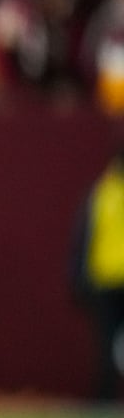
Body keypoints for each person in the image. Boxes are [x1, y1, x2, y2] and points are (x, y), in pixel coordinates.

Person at [70, 145, 124, 402]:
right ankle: (105, 398)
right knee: (106, 347)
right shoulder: (100, 193)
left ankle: (105, 399)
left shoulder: (101, 192)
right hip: (106, 280)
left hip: (104, 279)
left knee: (107, 345)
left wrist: (78, 276)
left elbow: (83, 236)